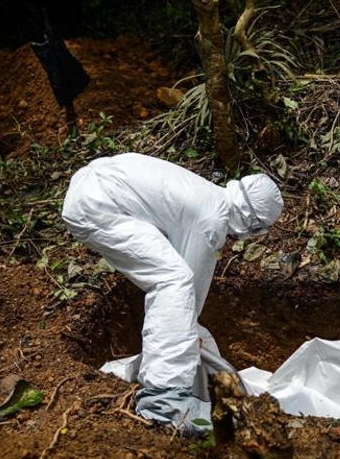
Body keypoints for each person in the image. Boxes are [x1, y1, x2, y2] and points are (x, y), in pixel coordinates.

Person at [60, 153, 284, 434]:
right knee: (173, 279)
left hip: (95, 190)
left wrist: (188, 330)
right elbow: (190, 287)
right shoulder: (212, 221)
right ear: (253, 223)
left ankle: (161, 381)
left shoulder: (208, 198)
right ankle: (163, 400)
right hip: (98, 205)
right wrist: (189, 333)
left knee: (171, 277)